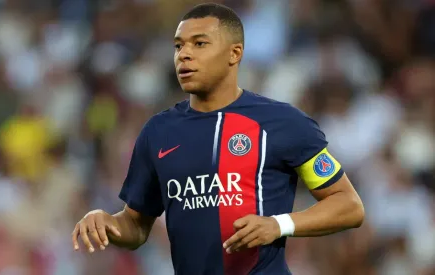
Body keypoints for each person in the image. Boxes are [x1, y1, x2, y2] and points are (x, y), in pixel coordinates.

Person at [72, 3, 365, 274]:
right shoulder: (158, 132)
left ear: (234, 53)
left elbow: (348, 205)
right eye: (178, 46)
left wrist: (279, 224)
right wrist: (107, 223)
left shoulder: (282, 123)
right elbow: (136, 226)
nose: (184, 54)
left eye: (199, 43)